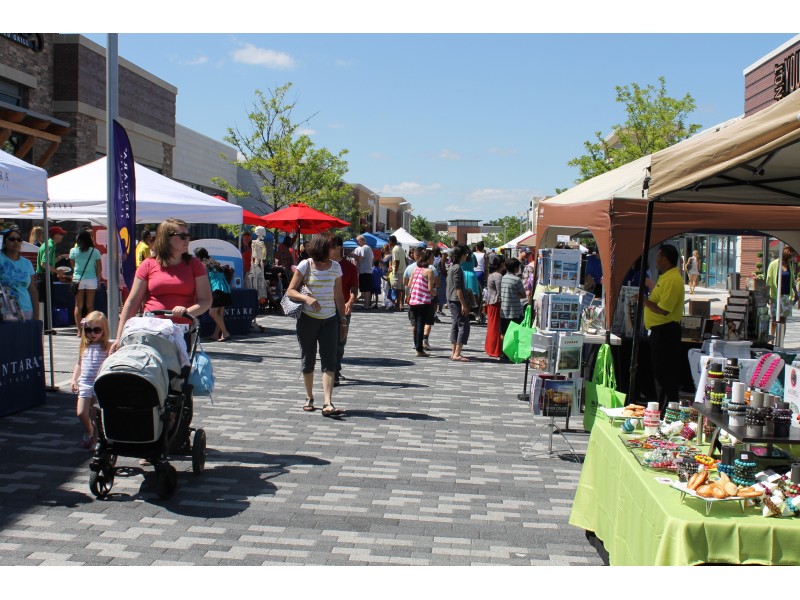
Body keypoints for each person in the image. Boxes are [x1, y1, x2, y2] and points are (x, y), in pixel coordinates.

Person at [111, 218, 212, 353]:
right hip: (151, 329)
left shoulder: (194, 265)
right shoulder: (148, 264)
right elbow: (132, 302)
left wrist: (187, 312)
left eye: (188, 235)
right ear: (167, 238)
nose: (187, 239)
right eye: (182, 236)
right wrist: (119, 337)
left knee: (183, 371)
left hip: (182, 331)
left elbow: (206, 300)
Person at [286, 231, 347, 417]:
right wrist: (306, 299)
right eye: (332, 246)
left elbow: (338, 295)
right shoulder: (306, 265)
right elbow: (290, 291)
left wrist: (343, 320)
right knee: (308, 359)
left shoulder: (336, 267)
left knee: (330, 361)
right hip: (307, 319)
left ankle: (328, 402)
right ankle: (309, 397)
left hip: (330, 320)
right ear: (323, 248)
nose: (335, 250)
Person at [641, 244, 685, 412]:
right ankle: (663, 409)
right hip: (660, 331)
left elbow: (664, 309)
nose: (656, 260)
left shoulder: (673, 279)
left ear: (665, 260)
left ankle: (667, 412)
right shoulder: (666, 277)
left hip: (666, 332)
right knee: (660, 375)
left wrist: (643, 300)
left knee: (665, 375)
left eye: (659, 257)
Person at [70, 310, 111, 450]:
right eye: (88, 330)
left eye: (97, 330)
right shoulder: (85, 346)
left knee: (96, 415)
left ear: (104, 330)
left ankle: (96, 441)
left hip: (99, 384)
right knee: (81, 413)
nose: (92, 333)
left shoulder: (107, 346)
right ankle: (90, 431)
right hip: (85, 383)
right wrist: (74, 379)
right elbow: (79, 363)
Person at [333, 235, 359, 386]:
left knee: (340, 342)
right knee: (328, 342)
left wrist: (351, 300)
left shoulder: (350, 267)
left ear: (338, 248)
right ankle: (331, 370)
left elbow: (354, 288)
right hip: (325, 309)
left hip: (343, 309)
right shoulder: (323, 265)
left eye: (331, 247)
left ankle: (334, 370)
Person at [194, 247, 232, 342]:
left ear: (198, 256)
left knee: (213, 313)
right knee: (220, 313)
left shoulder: (203, 265)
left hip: (217, 290)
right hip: (226, 289)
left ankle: (225, 333)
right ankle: (216, 335)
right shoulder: (215, 263)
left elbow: (203, 281)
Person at [0, 227, 39, 320]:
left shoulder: (27, 263)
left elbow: (32, 290)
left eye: (19, 239)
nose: (16, 242)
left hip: (26, 310)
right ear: (5, 243)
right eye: (12, 239)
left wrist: (37, 316)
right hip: (4, 311)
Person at [68, 230, 102, 333]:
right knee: (90, 305)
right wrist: (96, 277)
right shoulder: (95, 252)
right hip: (91, 279)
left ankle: (79, 330)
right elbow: (99, 268)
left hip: (78, 279)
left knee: (78, 306)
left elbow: (73, 265)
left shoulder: (73, 251)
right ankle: (89, 328)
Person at [407, 248, 436, 357]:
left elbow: (409, 284)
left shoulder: (415, 269)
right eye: (432, 257)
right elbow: (430, 289)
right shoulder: (429, 271)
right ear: (428, 259)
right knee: (421, 324)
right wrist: (434, 293)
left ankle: (417, 346)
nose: (433, 259)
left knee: (416, 324)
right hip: (423, 301)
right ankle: (419, 349)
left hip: (413, 300)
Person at [766, 246, 799, 338]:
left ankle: (780, 340)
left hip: (786, 297)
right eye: (791, 256)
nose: (793, 258)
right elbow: (768, 281)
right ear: (787, 255)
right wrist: (767, 295)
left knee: (783, 320)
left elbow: (792, 281)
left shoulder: (790, 265)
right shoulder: (773, 264)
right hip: (775, 296)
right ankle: (772, 339)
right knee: (774, 320)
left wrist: (796, 293)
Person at [36, 225, 69, 315]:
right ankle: (46, 326)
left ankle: (46, 325)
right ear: (55, 235)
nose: (62, 236)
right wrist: (58, 271)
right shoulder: (50, 246)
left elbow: (50, 261)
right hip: (44, 277)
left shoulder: (48, 244)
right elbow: (44, 264)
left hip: (43, 277)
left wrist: (61, 257)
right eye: (61, 234)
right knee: (46, 302)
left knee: (45, 302)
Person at [446, 244, 471, 361]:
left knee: (456, 324)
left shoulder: (452, 267)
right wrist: (463, 304)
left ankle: (454, 352)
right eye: (466, 254)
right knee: (463, 325)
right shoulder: (457, 268)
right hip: (456, 299)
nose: (467, 256)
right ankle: (457, 353)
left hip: (452, 299)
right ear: (461, 255)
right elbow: (458, 288)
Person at [499, 257, 527, 358]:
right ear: (516, 268)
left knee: (503, 332)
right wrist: (516, 295)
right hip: (515, 310)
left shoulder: (502, 278)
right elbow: (524, 295)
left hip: (503, 310)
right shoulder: (517, 280)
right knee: (515, 333)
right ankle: (512, 352)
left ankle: (503, 352)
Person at [484, 254, 505, 359]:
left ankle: (490, 348)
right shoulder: (498, 276)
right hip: (496, 303)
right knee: (496, 328)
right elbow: (500, 292)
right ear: (500, 264)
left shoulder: (491, 275)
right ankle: (495, 350)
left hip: (491, 302)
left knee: (492, 327)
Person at [352, 235, 375, 309]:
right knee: (367, 289)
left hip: (364, 271)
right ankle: (367, 304)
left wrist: (353, 255)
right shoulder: (369, 248)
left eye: (358, 241)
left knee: (365, 289)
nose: (357, 242)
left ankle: (366, 305)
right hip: (368, 270)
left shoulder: (364, 248)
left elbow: (360, 259)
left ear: (361, 240)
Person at [389, 235, 407, 311]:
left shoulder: (395, 249)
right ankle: (401, 304)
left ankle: (397, 304)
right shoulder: (401, 248)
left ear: (391, 241)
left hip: (398, 271)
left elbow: (397, 261)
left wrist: (395, 271)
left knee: (397, 289)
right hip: (403, 270)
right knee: (402, 289)